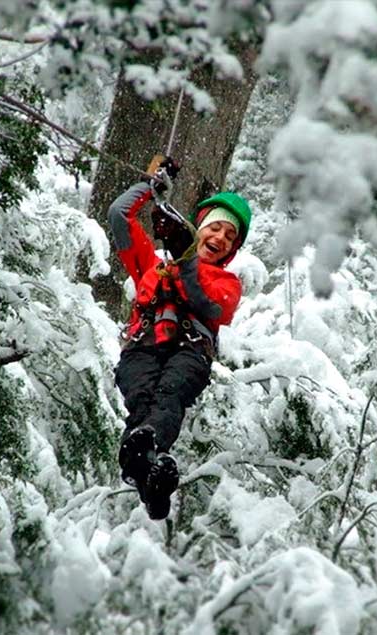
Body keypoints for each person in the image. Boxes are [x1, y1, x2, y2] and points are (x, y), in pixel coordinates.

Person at [107, 159, 251, 520]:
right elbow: (119, 215)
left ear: (232, 250)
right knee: (141, 404)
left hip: (188, 351)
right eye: (215, 228)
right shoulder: (153, 264)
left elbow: (208, 304)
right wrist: (153, 185)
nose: (219, 238)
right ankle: (151, 485)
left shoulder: (227, 283)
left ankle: (150, 453)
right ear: (199, 228)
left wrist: (186, 256)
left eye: (229, 236)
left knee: (168, 396)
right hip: (142, 346)